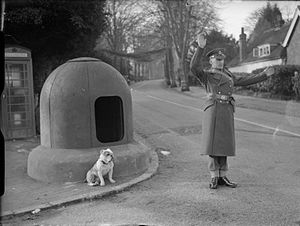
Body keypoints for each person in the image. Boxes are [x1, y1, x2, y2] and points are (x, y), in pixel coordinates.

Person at [187, 32, 275, 189]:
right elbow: (193, 67)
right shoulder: (206, 75)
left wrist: (263, 76)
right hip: (213, 110)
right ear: (211, 61)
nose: (220, 62)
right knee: (213, 144)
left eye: (222, 60)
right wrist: (200, 48)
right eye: (217, 59)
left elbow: (243, 81)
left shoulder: (227, 74)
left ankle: (223, 175)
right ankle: (214, 176)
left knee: (224, 144)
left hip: (227, 110)